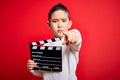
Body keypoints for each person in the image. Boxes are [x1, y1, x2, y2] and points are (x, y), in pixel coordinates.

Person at [27, 3, 82, 80]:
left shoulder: (71, 43)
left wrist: (74, 35)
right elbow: (43, 71)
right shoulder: (45, 47)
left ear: (69, 24)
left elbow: (76, 38)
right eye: (55, 21)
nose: (59, 25)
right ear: (49, 25)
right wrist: (33, 67)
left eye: (63, 21)